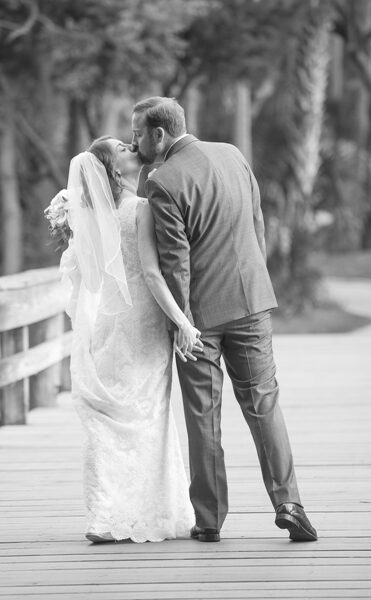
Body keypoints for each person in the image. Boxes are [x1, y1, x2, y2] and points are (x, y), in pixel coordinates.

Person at [132, 97, 318, 543]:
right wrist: (255, 283)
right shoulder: (233, 155)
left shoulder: (163, 182)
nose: (134, 141)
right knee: (264, 404)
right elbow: (257, 226)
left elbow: (176, 265)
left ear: (159, 135)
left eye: (138, 133)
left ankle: (210, 519)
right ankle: (289, 502)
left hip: (200, 319)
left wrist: (183, 323)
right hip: (252, 303)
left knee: (203, 416)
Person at [58, 136, 202, 543]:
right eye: (121, 147)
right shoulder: (139, 210)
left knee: (109, 419)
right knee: (149, 413)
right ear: (114, 169)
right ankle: (154, 511)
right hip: (141, 322)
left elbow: (79, 272)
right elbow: (154, 275)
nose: (129, 145)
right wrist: (184, 323)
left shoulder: (84, 213)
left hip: (104, 324)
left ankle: (105, 516)